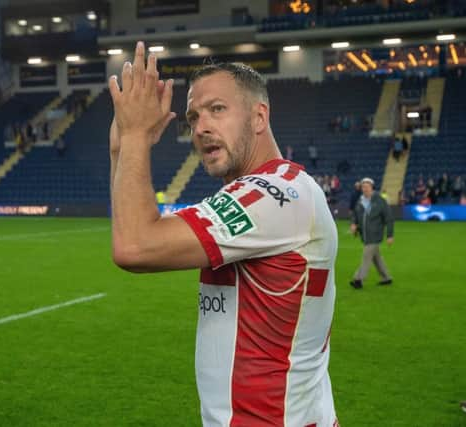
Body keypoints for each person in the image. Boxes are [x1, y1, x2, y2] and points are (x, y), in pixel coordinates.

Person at [108, 41, 339, 426]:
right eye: (193, 117)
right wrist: (121, 149)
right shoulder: (271, 192)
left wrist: (134, 139)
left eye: (217, 109)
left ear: (258, 117)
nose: (201, 128)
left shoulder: (276, 195)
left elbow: (135, 246)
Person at [350, 177, 394, 289]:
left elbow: (389, 218)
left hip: (375, 235)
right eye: (363, 187)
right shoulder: (360, 201)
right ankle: (386, 277)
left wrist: (389, 235)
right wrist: (354, 224)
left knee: (366, 256)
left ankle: (358, 279)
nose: (364, 189)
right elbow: (355, 215)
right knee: (376, 258)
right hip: (364, 235)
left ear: (372, 187)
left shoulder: (380, 201)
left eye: (367, 187)